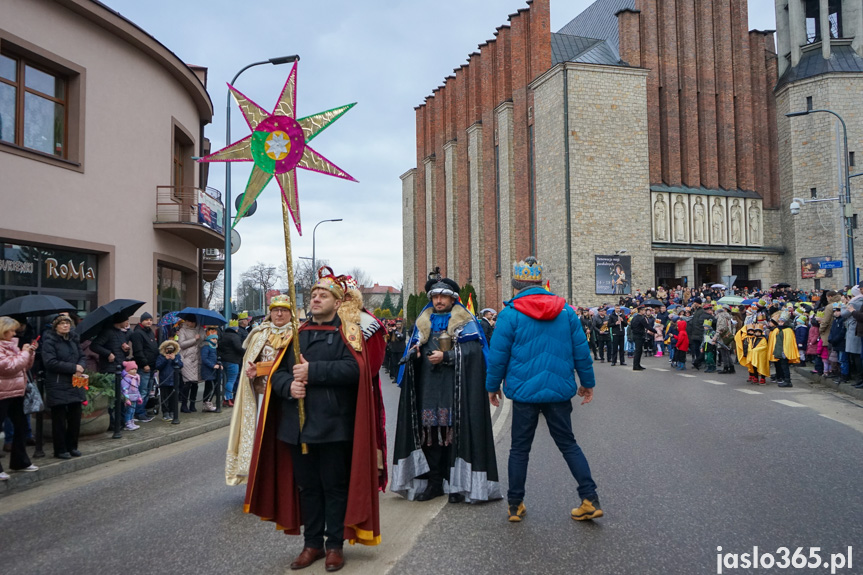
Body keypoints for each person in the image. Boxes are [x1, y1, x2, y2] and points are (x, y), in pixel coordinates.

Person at [244, 268, 385, 572]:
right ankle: (312, 545)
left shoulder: (348, 333)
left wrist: (313, 372)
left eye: (323, 295)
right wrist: (287, 387)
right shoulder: (297, 334)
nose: (316, 299)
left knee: (333, 486)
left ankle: (334, 545)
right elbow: (279, 374)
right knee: (307, 487)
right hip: (298, 426)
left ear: (337, 302)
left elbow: (355, 371)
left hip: (334, 425)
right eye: (313, 295)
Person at [485, 257, 601, 523]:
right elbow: (581, 352)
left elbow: (498, 357)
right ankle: (589, 498)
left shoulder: (509, 315)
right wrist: (587, 384)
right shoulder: (566, 312)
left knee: (519, 449)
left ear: (516, 286)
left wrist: (492, 387)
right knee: (569, 445)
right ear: (540, 282)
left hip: (524, 393)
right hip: (559, 391)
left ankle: (515, 505)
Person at [393, 267, 500, 504]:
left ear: (453, 298)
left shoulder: (466, 322)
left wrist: (448, 357)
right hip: (427, 390)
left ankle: (456, 484)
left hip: (457, 392)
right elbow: (411, 352)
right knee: (430, 437)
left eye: (443, 296)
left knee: (454, 437)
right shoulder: (422, 323)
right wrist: (415, 354)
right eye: (435, 297)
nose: (438, 300)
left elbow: (475, 354)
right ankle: (433, 483)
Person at [224, 294, 295, 486]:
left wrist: (263, 369)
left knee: (284, 438)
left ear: (291, 313)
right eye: (275, 310)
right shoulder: (258, 334)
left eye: (284, 310)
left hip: (286, 396)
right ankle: (260, 478)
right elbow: (250, 362)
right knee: (261, 438)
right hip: (262, 395)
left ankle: (285, 478)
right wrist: (254, 371)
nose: (279, 314)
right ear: (270, 313)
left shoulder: (298, 334)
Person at [41, 315, 86, 459]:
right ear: (56, 326)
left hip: (75, 382)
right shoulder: (49, 341)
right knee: (59, 420)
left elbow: (82, 356)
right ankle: (60, 449)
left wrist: (81, 367)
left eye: (67, 323)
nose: (65, 326)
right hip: (58, 383)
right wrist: (74, 367)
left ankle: (72, 446)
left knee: (75, 417)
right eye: (62, 323)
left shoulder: (73, 339)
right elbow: (50, 362)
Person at [0, 316, 38, 479]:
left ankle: (20, 461)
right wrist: (24, 352)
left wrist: (30, 354)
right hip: (2, 393)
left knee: (21, 426)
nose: (15, 333)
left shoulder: (13, 345)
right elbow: (9, 367)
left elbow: (23, 366)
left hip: (16, 391)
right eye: (12, 330)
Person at [129, 312, 157, 422]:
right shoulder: (138, 333)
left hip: (152, 365)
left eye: (150, 319)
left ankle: (142, 411)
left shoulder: (150, 332)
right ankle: (139, 413)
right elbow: (138, 351)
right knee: (142, 391)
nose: (149, 322)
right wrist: (144, 364)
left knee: (148, 390)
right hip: (144, 367)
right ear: (141, 321)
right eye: (146, 320)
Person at [177, 319, 202, 412]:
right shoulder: (183, 330)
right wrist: (194, 339)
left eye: (192, 321)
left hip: (197, 358)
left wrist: (201, 334)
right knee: (187, 383)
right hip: (187, 358)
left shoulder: (199, 329)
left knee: (195, 383)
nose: (190, 323)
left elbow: (202, 340)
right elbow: (181, 344)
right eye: (189, 321)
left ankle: (193, 404)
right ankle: (184, 405)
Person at [218, 320, 244, 407]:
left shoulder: (223, 335)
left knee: (226, 380)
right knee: (231, 380)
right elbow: (239, 348)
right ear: (236, 329)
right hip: (233, 361)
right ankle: (228, 398)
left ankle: (226, 398)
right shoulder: (235, 337)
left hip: (223, 360)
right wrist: (245, 352)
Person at [768, 315, 800, 387]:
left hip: (784, 352)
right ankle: (785, 379)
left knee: (785, 367)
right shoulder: (781, 330)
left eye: (782, 322)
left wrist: (785, 352)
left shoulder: (787, 331)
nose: (780, 323)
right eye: (779, 321)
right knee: (783, 366)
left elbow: (788, 343)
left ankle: (787, 381)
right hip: (781, 351)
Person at [155, 340, 182, 423]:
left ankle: (172, 411)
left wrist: (174, 359)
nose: (169, 350)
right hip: (164, 381)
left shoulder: (177, 356)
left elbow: (180, 365)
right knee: (165, 397)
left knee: (173, 397)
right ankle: (165, 412)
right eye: (168, 349)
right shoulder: (161, 357)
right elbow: (158, 366)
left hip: (174, 380)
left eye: (171, 348)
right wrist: (165, 359)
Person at [629, 305, 656, 371]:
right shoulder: (641, 318)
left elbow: (631, 326)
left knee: (639, 350)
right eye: (644, 310)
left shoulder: (634, 317)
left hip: (635, 335)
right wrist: (655, 331)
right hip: (639, 335)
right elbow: (647, 326)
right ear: (641, 311)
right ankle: (635, 366)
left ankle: (638, 364)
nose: (645, 312)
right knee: (638, 351)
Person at [200, 326, 220, 412]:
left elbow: (216, 358)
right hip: (208, 370)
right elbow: (204, 359)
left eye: (216, 339)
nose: (215, 340)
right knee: (210, 387)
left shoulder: (214, 348)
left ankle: (208, 402)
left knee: (211, 387)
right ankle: (207, 402)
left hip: (213, 370)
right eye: (213, 339)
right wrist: (212, 365)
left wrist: (219, 364)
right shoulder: (206, 347)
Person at [120, 361, 142, 431]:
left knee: (132, 411)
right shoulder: (126, 379)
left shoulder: (135, 378)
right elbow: (124, 390)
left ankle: (132, 422)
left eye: (135, 369)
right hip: (129, 399)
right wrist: (126, 399)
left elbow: (136, 389)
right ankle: (127, 423)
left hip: (134, 398)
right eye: (132, 369)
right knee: (128, 411)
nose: (134, 371)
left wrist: (139, 397)